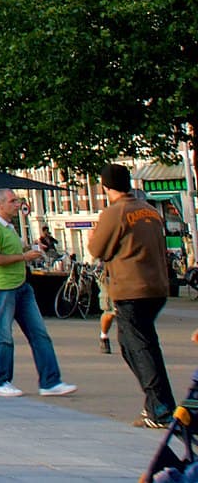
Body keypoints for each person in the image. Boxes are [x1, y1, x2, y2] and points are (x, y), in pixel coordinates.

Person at [87, 163, 174, 428]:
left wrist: (93, 236)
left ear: (106, 186)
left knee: (140, 347)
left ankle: (160, 407)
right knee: (132, 343)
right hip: (156, 286)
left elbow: (97, 249)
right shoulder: (148, 211)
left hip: (130, 288)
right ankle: (154, 405)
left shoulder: (115, 212)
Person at [0, 188, 75, 398]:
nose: (17, 204)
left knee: (39, 333)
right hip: (3, 287)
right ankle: (0, 381)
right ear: (0, 205)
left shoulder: (10, 227)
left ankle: (50, 381)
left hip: (21, 285)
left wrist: (27, 250)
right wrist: (23, 257)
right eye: (13, 201)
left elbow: (11, 252)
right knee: (3, 334)